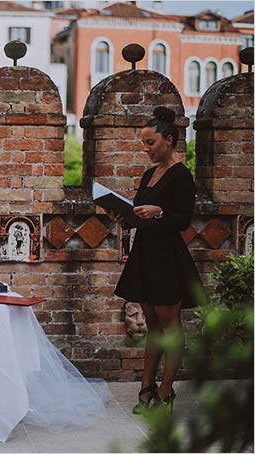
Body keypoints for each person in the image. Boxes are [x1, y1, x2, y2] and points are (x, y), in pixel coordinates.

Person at [107, 106, 204, 415]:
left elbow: (183, 220)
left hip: (167, 259)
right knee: (153, 327)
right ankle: (145, 388)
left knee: (171, 329)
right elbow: (139, 214)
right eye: (143, 143)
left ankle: (165, 390)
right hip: (145, 254)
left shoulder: (181, 175)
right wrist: (122, 216)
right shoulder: (150, 174)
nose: (145, 149)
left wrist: (159, 212)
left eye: (150, 142)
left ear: (170, 140)